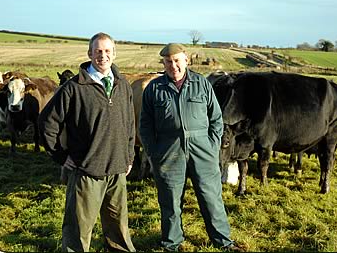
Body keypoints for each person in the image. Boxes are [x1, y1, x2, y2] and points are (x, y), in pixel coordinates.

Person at [38, 32, 136, 252]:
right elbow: (47, 123)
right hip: (87, 171)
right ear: (90, 53)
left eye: (107, 51)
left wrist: (129, 155)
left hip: (118, 171)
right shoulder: (74, 87)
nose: (103, 56)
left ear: (114, 53)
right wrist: (61, 155)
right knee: (78, 231)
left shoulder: (123, 85)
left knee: (119, 229)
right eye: (98, 51)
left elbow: (130, 123)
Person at [139, 43, 242, 251]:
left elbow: (216, 119)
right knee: (170, 201)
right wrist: (154, 152)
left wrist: (212, 147)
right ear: (164, 63)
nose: (173, 66)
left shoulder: (201, 84)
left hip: (202, 149)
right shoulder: (154, 88)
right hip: (169, 151)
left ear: (186, 60)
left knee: (211, 197)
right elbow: (145, 125)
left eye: (177, 60)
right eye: (168, 62)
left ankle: (223, 241)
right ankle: (171, 243)